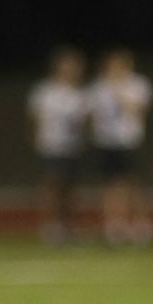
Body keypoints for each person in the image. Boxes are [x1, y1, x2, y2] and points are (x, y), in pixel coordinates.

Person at [87, 48, 153, 245]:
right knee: (110, 185)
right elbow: (90, 115)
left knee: (133, 183)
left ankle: (141, 225)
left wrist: (118, 92)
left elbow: (139, 110)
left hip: (129, 140)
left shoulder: (137, 84)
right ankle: (115, 226)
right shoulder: (98, 87)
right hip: (106, 141)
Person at [28, 48, 90, 243]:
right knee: (52, 186)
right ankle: (50, 226)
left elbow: (86, 121)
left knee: (70, 190)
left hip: (72, 147)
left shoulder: (80, 94)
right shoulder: (45, 92)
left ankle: (68, 226)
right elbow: (35, 118)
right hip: (52, 146)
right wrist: (39, 139)